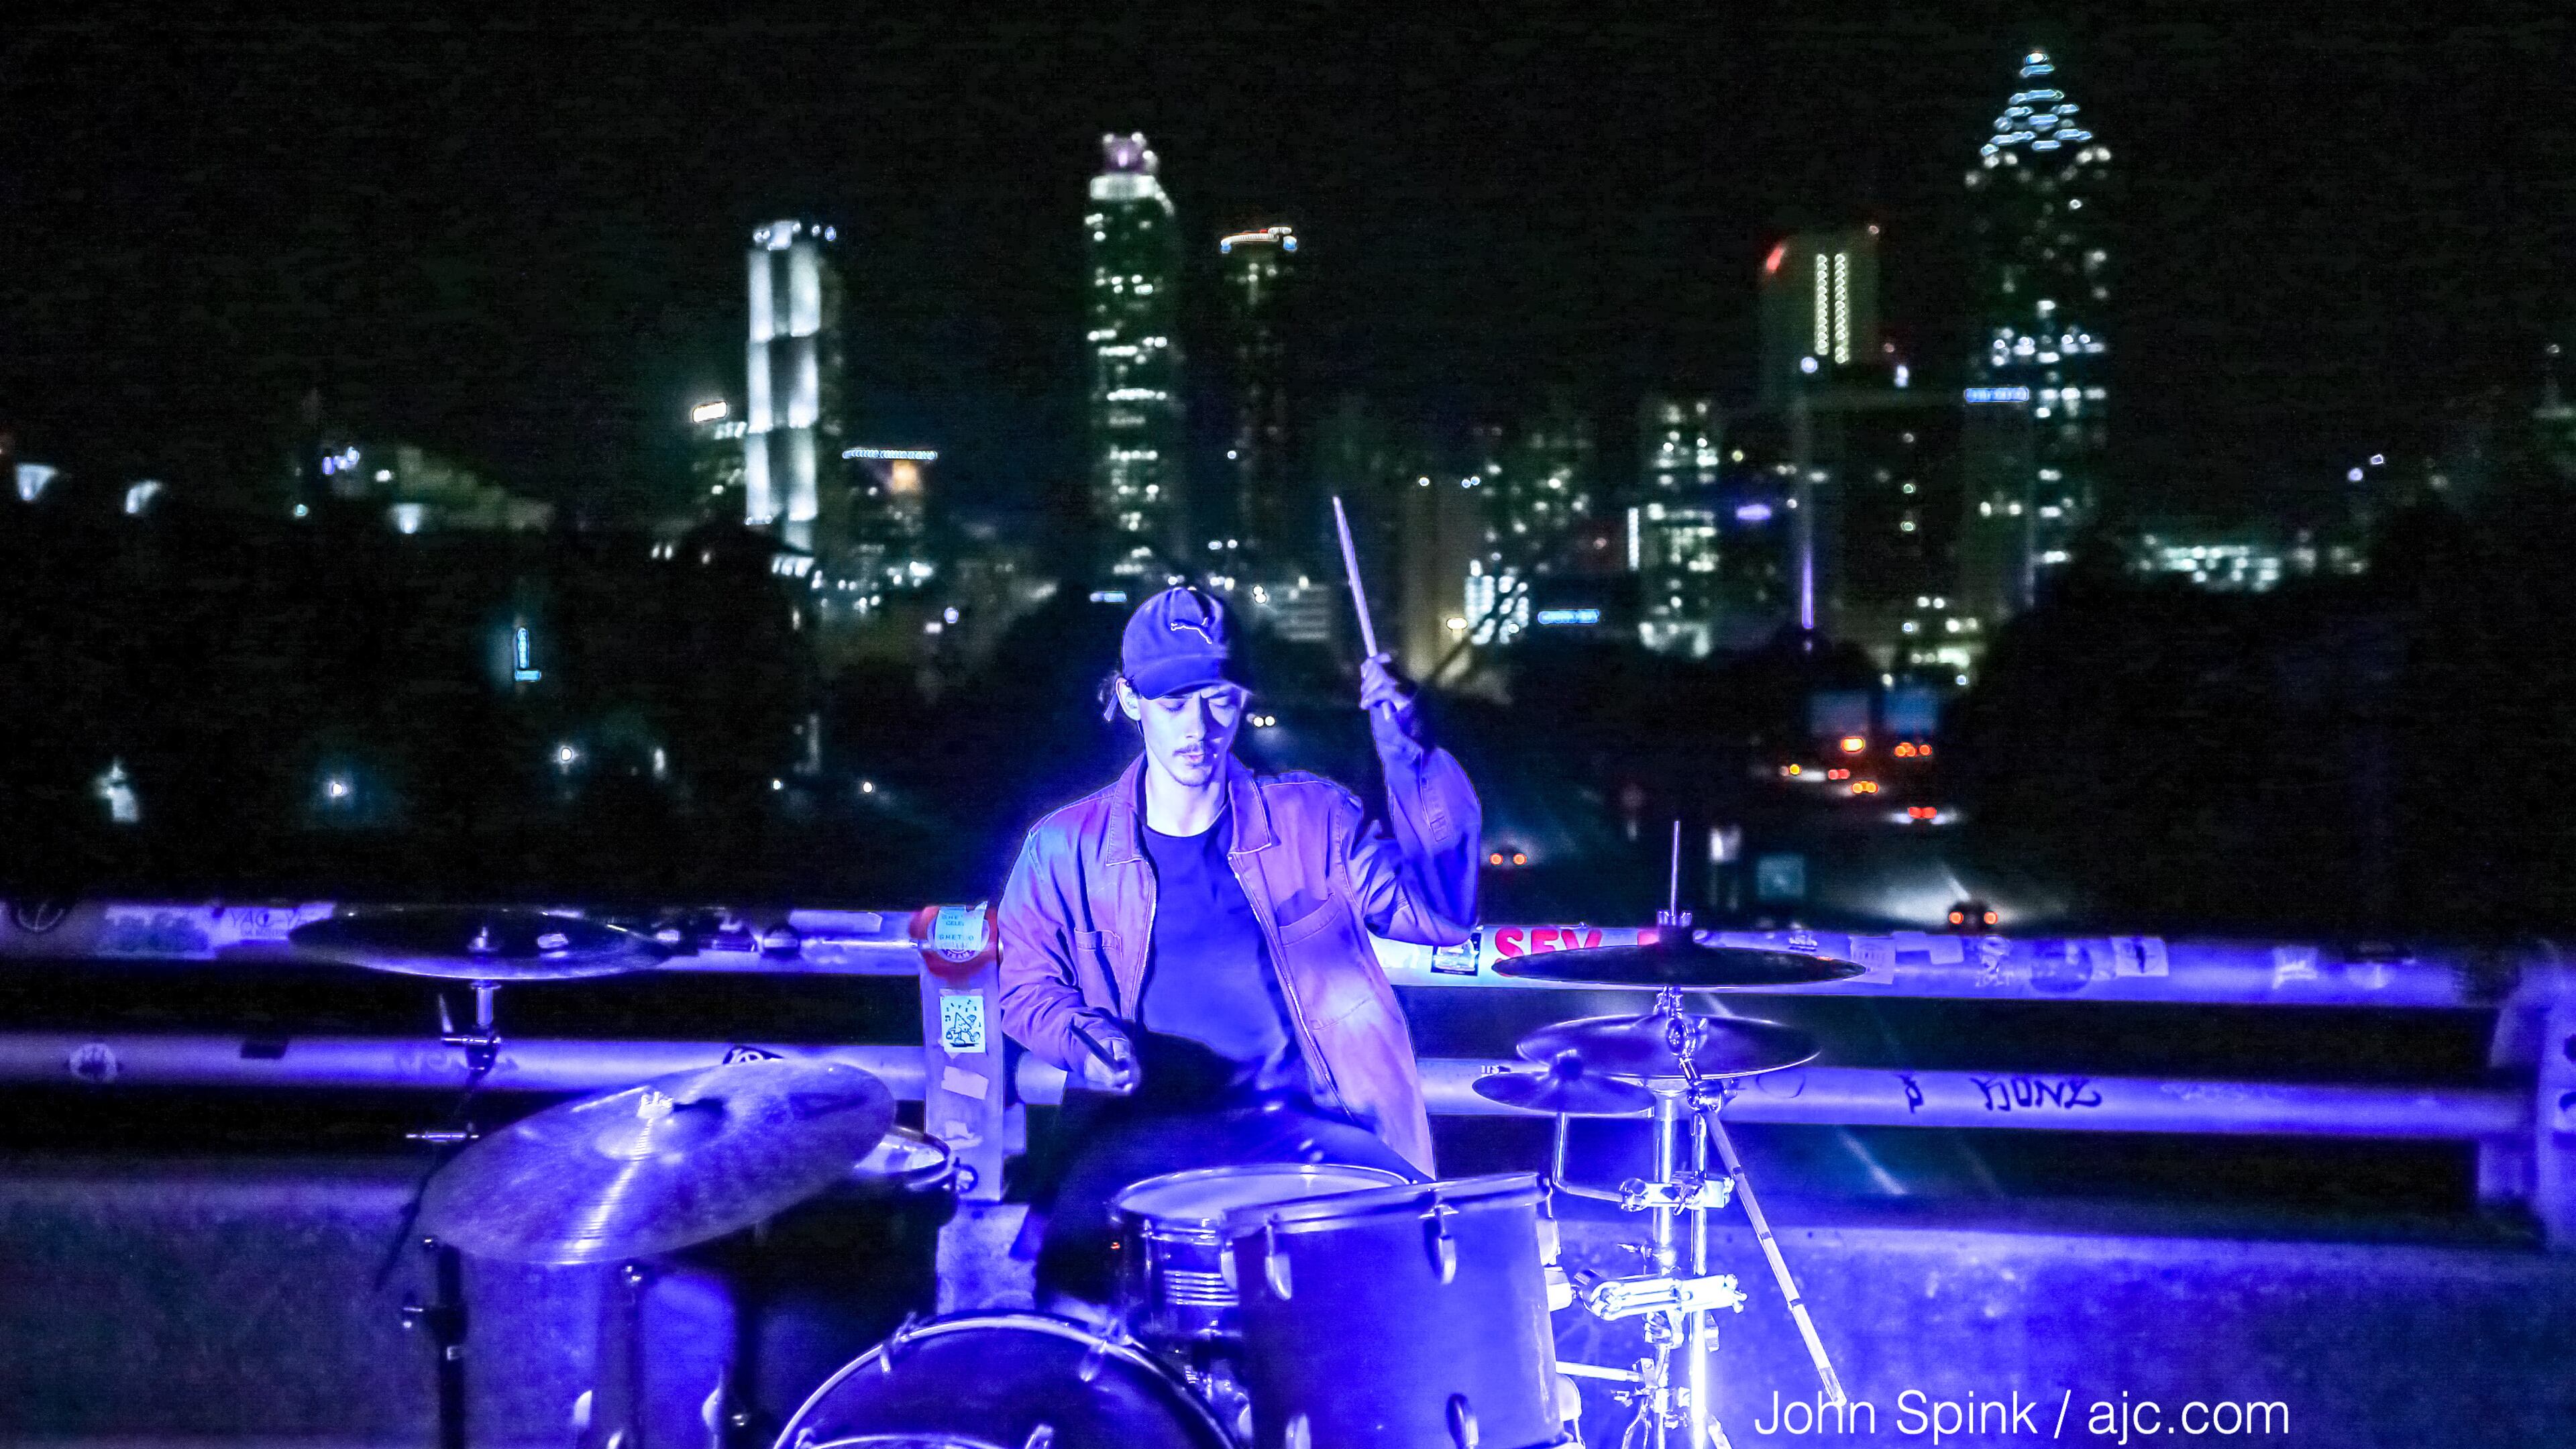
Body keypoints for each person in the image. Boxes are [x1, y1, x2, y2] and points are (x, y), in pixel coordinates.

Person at [996, 584, 1482, 1309]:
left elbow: (1441, 917)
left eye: (1219, 699)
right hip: (1143, 1139)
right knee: (1081, 1328)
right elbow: (1025, 986)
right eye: (1173, 703)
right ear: (1129, 701)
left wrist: (1406, 753)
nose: (1199, 727)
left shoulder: (1315, 818)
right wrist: (1079, 1034)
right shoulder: (1062, 847)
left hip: (1314, 1136)